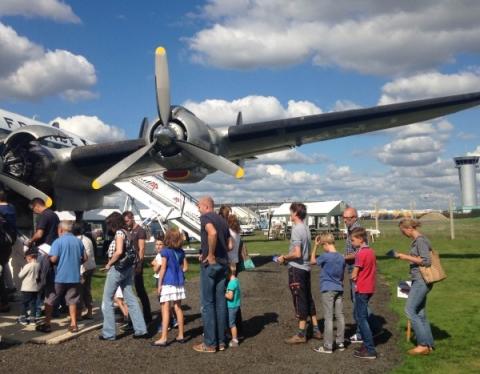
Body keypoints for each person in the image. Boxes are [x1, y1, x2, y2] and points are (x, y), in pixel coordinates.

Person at [99, 212, 147, 341]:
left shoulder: (119, 233)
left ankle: (108, 333)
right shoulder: (128, 232)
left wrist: (109, 264)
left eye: (109, 224)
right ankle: (141, 329)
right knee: (131, 299)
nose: (108, 227)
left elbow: (119, 251)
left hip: (118, 269)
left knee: (107, 300)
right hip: (127, 269)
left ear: (113, 223)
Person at [278, 202, 321, 343]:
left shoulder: (297, 229)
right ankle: (316, 329)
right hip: (306, 268)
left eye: (291, 212)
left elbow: (297, 253)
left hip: (297, 269)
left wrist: (284, 257)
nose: (290, 214)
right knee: (308, 297)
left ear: (296, 213)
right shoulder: (306, 228)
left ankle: (301, 334)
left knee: (299, 299)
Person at [193, 196, 231, 353]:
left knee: (208, 305)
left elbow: (212, 233)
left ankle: (209, 344)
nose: (198, 210)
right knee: (220, 303)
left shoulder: (206, 217)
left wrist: (210, 254)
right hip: (223, 264)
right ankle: (221, 341)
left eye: (199, 207)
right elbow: (230, 244)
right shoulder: (223, 220)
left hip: (212, 265)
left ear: (205, 206)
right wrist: (216, 253)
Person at [36, 220, 86, 333]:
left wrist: (47, 257)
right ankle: (74, 324)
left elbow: (54, 259)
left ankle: (47, 324)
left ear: (61, 230)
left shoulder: (57, 242)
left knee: (50, 299)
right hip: (74, 276)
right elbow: (85, 258)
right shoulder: (78, 242)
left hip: (59, 277)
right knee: (72, 300)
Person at [394, 219, 435, 355]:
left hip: (421, 280)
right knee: (420, 313)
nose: (403, 233)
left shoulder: (420, 241)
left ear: (409, 228)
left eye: (403, 230)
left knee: (410, 310)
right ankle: (428, 344)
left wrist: (405, 256)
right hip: (419, 280)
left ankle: (422, 344)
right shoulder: (418, 241)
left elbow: (426, 261)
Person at [342, 206, 374, 343]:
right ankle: (366, 329)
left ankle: (362, 333)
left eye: (347, 218)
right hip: (354, 266)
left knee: (359, 301)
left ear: (354, 217)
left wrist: (343, 258)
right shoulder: (351, 229)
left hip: (357, 268)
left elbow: (360, 252)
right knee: (357, 300)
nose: (345, 221)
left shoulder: (356, 230)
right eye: (343, 218)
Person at [310, 233, 345, 354]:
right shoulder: (341, 257)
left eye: (322, 245)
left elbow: (312, 261)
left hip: (328, 288)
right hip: (339, 288)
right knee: (340, 315)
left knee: (329, 318)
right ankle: (340, 342)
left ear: (325, 244)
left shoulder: (326, 256)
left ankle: (328, 346)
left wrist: (315, 246)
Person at [152, 228, 188, 346]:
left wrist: (159, 284)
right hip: (179, 283)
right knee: (178, 308)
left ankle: (164, 337)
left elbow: (162, 269)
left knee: (165, 309)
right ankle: (181, 334)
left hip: (167, 282)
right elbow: (184, 268)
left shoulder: (165, 252)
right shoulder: (181, 252)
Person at [350, 227, 377, 359]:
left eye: (353, 240)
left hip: (361, 288)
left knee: (361, 318)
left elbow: (355, 273)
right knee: (363, 315)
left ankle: (370, 349)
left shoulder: (360, 254)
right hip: (370, 287)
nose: (351, 243)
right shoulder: (371, 251)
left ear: (360, 239)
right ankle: (367, 345)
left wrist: (352, 276)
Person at [123, 211, 152, 324]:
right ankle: (132, 318)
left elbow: (142, 249)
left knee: (140, 291)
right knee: (128, 292)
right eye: (125, 221)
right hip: (128, 265)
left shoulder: (140, 230)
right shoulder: (129, 230)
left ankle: (147, 316)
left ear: (132, 218)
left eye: (127, 221)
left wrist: (139, 264)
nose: (126, 223)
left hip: (136, 265)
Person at [73, 222, 96, 320]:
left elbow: (82, 257)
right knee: (87, 290)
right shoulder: (87, 239)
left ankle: (78, 314)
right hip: (91, 267)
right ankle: (89, 312)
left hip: (83, 268)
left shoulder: (78, 240)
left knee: (79, 291)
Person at [0, 190, 16, 312]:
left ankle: (4, 301)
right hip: (8, 244)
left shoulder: (2, 211)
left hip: (2, 244)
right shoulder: (11, 208)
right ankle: (10, 289)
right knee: (4, 267)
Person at [17, 248, 40, 325]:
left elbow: (20, 275)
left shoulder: (28, 266)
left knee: (24, 303)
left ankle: (23, 319)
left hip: (26, 288)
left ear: (29, 257)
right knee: (33, 303)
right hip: (35, 288)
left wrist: (21, 269)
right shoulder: (38, 265)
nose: (26, 259)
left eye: (26, 257)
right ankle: (32, 320)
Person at [225, 267, 241, 348]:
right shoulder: (236, 280)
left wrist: (224, 293)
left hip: (232, 306)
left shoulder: (231, 283)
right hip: (236, 305)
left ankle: (235, 340)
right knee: (231, 322)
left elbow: (230, 296)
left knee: (232, 324)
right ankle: (230, 335)